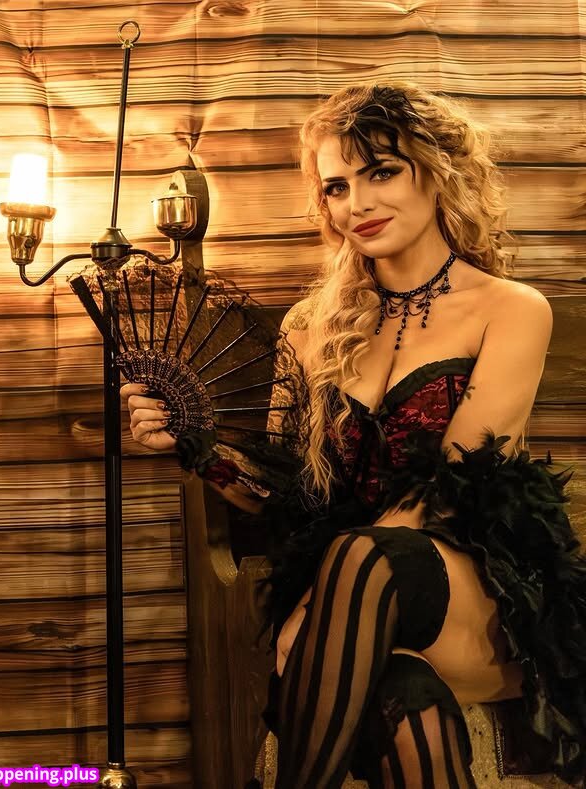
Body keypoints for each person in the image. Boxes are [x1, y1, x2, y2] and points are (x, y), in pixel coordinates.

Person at [121, 81, 586, 788]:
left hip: (469, 593)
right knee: (403, 695)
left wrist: (311, 611)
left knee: (365, 554)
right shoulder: (309, 326)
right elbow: (288, 496)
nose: (358, 203)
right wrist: (193, 448)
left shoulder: (511, 309)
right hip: (356, 596)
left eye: (382, 172)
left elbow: (449, 484)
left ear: (437, 173)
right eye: (337, 187)